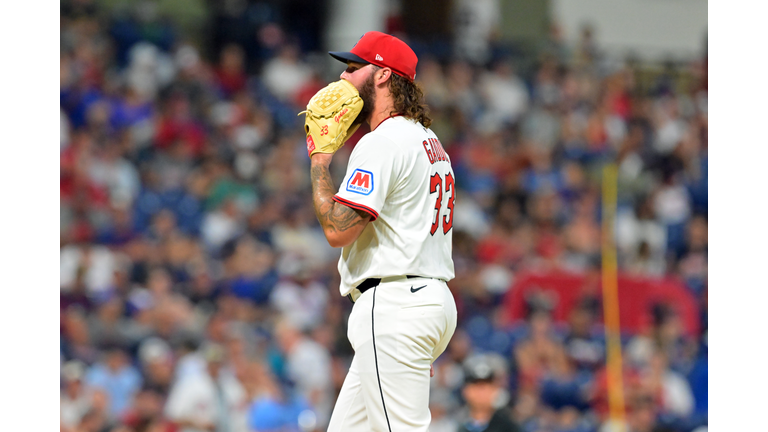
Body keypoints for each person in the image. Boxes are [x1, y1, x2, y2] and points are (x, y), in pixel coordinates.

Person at [304, 31, 458, 432]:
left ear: (384, 75)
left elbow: (337, 230)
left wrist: (319, 161)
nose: (343, 77)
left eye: (354, 67)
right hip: (425, 300)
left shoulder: (383, 142)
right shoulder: (429, 141)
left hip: (395, 306)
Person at [457, 358, 522, 432]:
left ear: (495, 389)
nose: (481, 392)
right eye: (477, 385)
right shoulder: (455, 423)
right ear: (465, 390)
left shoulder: (509, 425)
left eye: (487, 385)